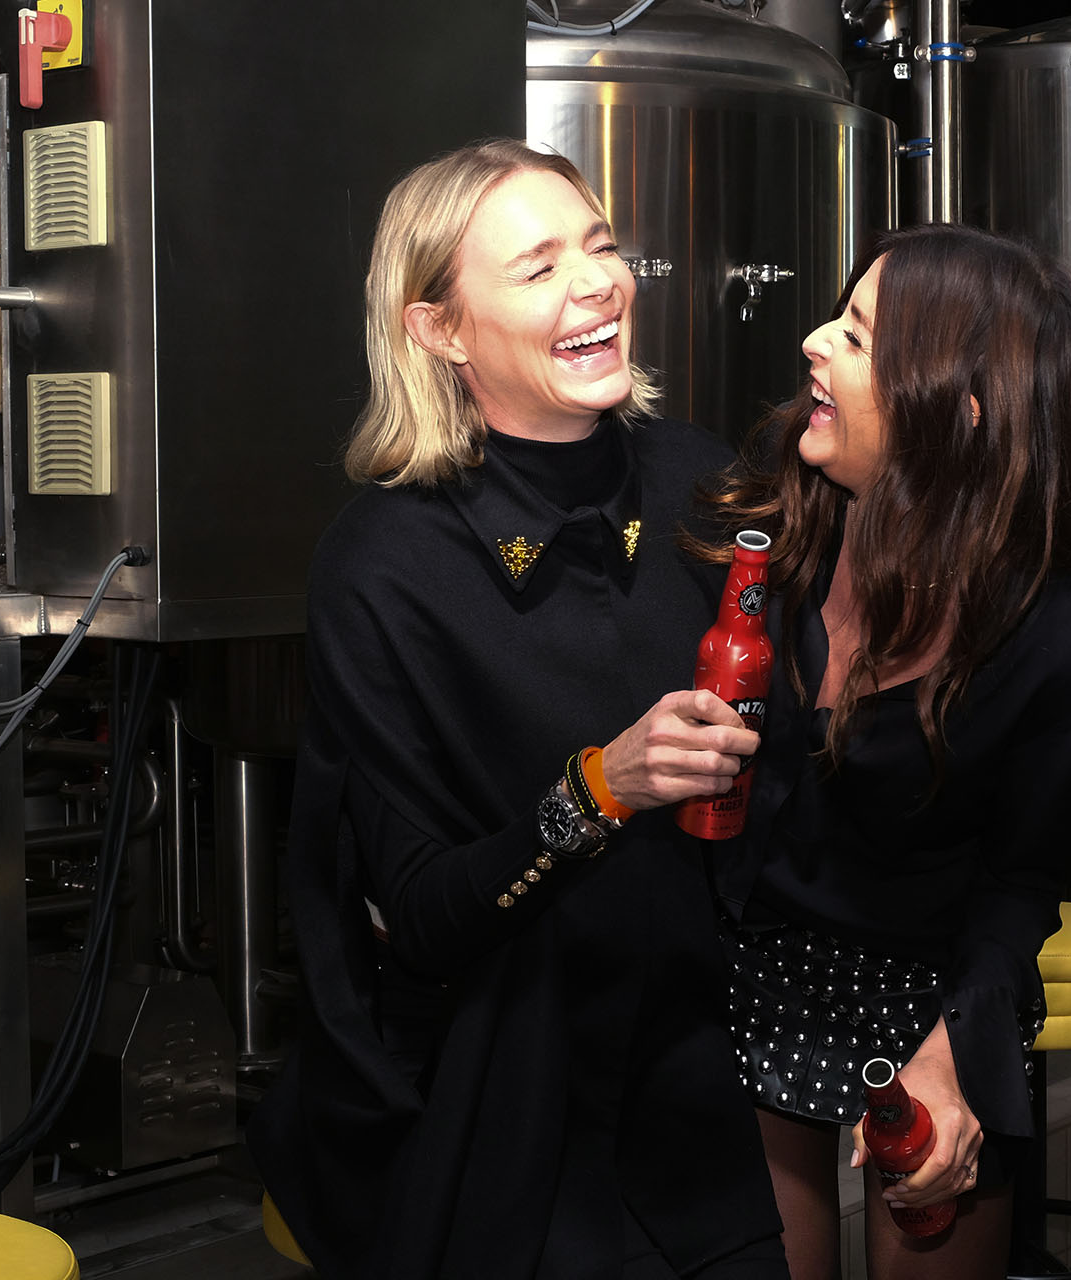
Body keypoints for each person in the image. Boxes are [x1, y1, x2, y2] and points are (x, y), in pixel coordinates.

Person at [246, 139, 789, 1280]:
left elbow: (790, 782)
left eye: (598, 245)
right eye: (538, 266)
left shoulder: (698, 479)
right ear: (440, 330)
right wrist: (604, 786)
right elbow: (426, 910)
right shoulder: (384, 563)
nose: (597, 281)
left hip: (695, 1092)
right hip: (499, 1109)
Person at [698, 224, 1071, 1280]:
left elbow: (1021, 880)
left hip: (935, 983)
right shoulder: (785, 498)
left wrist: (952, 1058)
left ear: (958, 408)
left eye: (855, 336)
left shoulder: (1059, 641)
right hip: (758, 955)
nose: (814, 341)